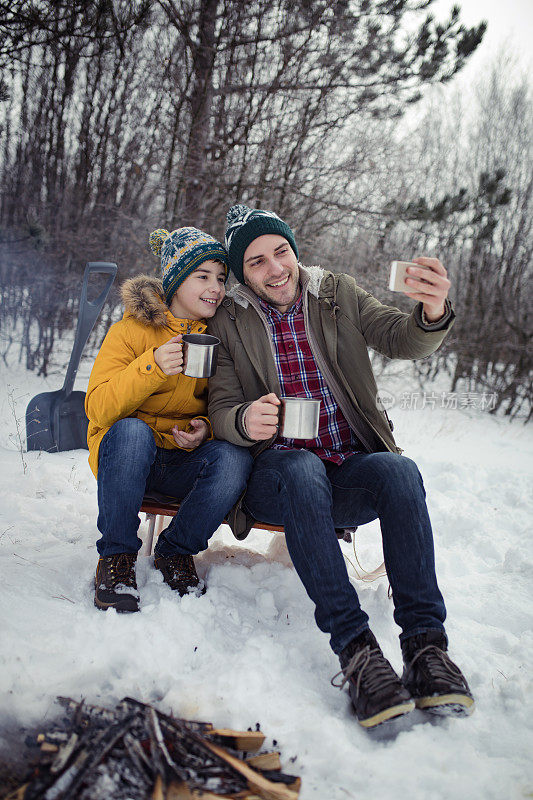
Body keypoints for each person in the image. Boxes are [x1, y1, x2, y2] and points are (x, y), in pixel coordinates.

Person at [206, 203, 474, 729]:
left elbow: (400, 336)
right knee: (302, 469)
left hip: (344, 469)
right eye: (257, 261)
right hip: (275, 475)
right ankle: (357, 652)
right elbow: (220, 409)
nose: (275, 268)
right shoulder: (230, 319)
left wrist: (433, 312)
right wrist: (244, 420)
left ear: (294, 250)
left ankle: (426, 650)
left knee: (399, 472)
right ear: (243, 273)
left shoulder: (336, 294)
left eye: (280, 251)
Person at [86, 226, 252, 613]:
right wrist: (153, 366)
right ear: (176, 282)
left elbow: (223, 404)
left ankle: (176, 551)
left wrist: (205, 430)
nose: (216, 287)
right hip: (127, 459)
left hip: (179, 459)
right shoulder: (130, 331)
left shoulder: (217, 337)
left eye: (221, 278)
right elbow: (98, 408)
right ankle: (116, 558)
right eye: (203, 276)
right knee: (130, 431)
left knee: (234, 457)